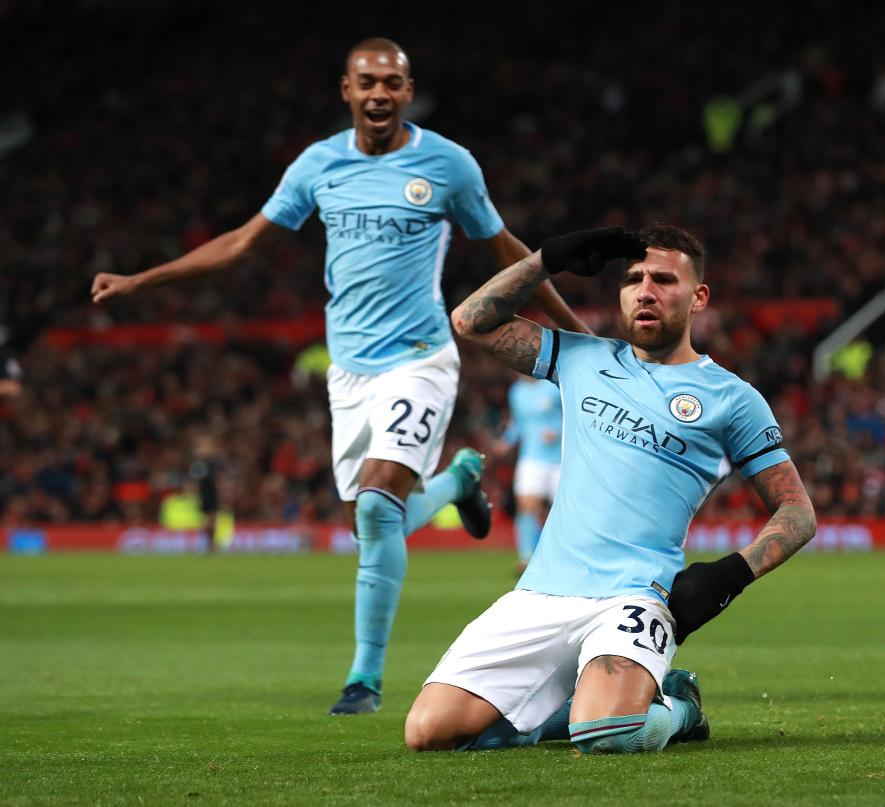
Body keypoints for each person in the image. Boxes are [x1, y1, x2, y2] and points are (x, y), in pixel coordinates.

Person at [90, 37, 589, 714]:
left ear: (408, 91)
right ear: (346, 91)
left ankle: (364, 680)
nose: (379, 94)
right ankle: (458, 483)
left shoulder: (447, 166)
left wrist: (580, 337)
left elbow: (510, 255)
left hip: (419, 358)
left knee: (381, 505)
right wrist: (142, 280)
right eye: (367, 82)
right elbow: (242, 242)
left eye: (392, 82)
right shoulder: (317, 165)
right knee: (371, 522)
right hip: (349, 373)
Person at [403, 224, 817, 754]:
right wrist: (546, 260)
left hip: (635, 595)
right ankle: (573, 704)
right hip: (542, 592)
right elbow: (470, 321)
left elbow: (797, 511)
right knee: (427, 733)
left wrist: (730, 574)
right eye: (633, 279)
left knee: (604, 736)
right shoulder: (582, 358)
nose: (645, 290)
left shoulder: (731, 399)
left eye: (664, 279)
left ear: (698, 298)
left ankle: (680, 708)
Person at [495, 375, 563, 571]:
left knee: (559, 511)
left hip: (559, 458)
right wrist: (506, 442)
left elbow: (572, 415)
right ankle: (527, 558)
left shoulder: (553, 386)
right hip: (531, 457)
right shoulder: (517, 391)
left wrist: (557, 431)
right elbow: (518, 422)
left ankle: (558, 556)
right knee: (527, 506)